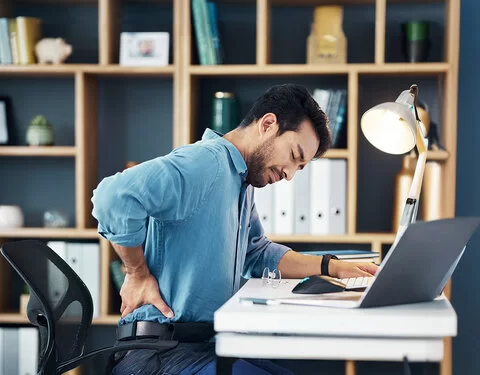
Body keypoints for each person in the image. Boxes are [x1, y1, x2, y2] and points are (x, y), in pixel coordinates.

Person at [91, 84, 379, 374]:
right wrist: (136, 272)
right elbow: (112, 196)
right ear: (267, 124)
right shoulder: (206, 163)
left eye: (299, 168)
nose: (289, 175)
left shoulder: (239, 180)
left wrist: (332, 267)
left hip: (199, 347)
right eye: (293, 156)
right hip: (159, 355)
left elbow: (258, 253)